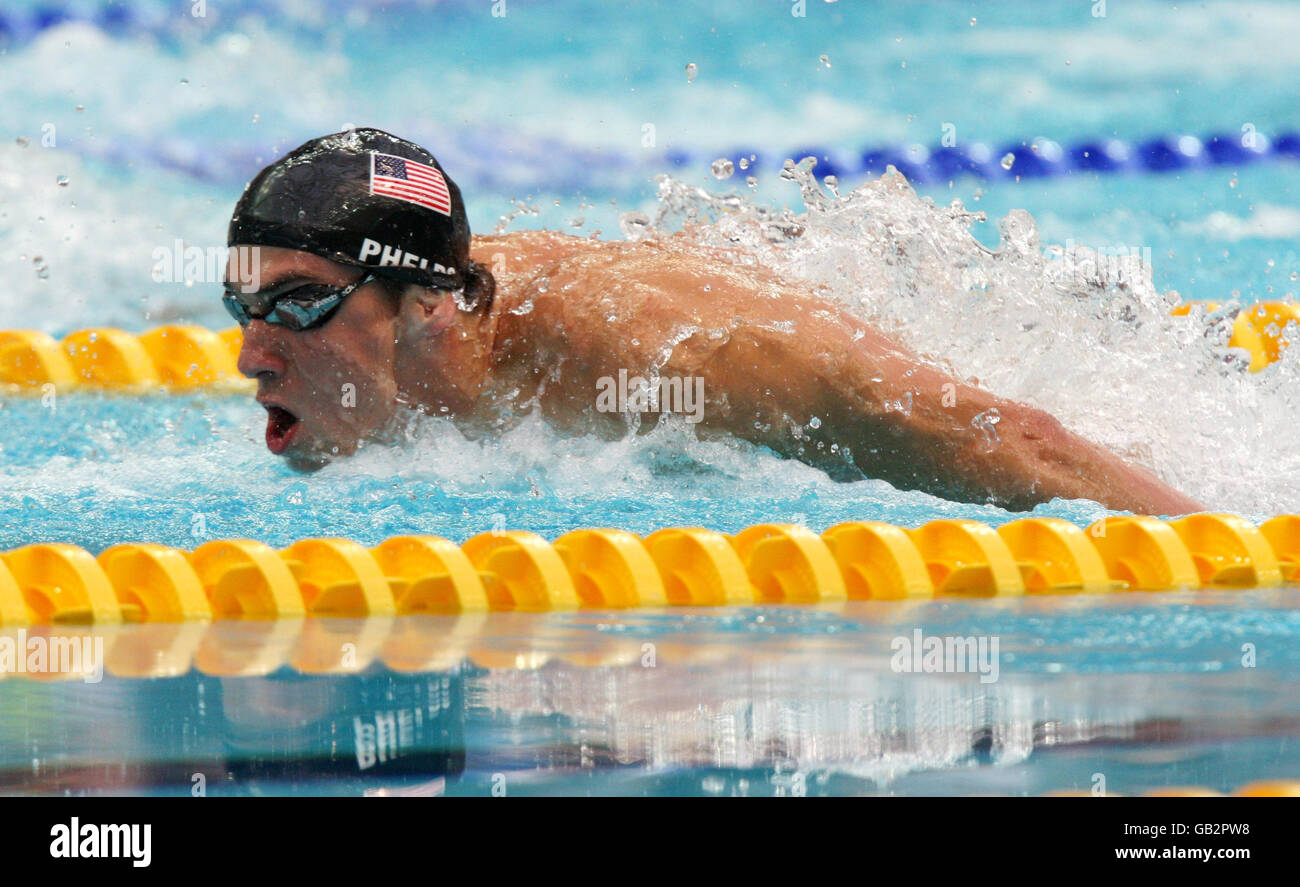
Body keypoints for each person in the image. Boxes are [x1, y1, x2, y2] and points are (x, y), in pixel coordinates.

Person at [224, 128, 1203, 514]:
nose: (246, 355)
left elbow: (1005, 438)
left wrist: (1237, 562)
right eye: (243, 303)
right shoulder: (423, 351)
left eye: (297, 304)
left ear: (426, 304)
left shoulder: (650, 354)